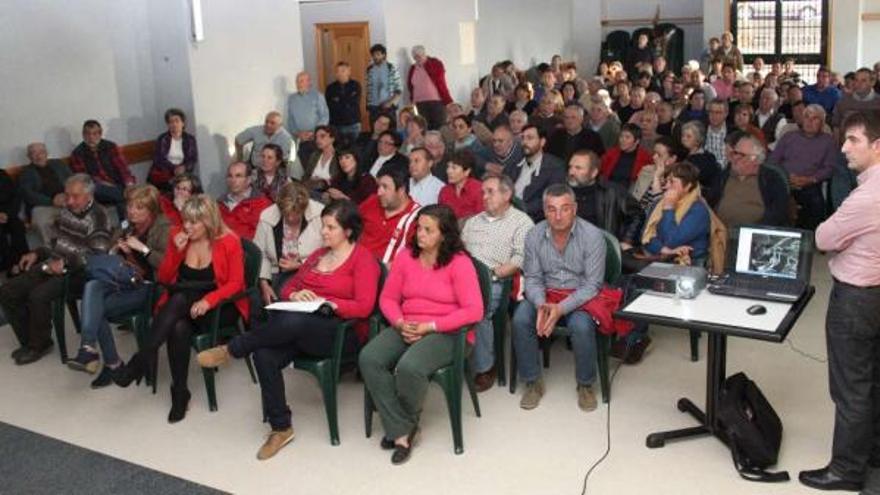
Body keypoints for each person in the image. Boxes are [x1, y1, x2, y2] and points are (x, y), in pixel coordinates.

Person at [197, 200, 379, 460]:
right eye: (323, 226)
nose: (324, 232)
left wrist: (328, 303)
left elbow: (364, 307)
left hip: (340, 334)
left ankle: (233, 348)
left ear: (348, 231)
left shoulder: (362, 260)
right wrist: (296, 295)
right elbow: (286, 287)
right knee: (264, 354)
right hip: (301, 327)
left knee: (292, 323)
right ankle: (281, 428)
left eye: (330, 227)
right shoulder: (318, 256)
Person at [359, 204, 483, 464]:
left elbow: (474, 311)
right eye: (419, 228)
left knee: (410, 367)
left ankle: (400, 430)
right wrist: (400, 322)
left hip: (448, 331)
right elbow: (389, 298)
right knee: (369, 358)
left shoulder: (460, 263)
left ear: (444, 235)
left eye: (428, 230)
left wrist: (431, 327)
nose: (420, 235)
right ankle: (402, 427)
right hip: (408, 323)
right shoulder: (405, 256)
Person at [799, 112, 880, 493]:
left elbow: (822, 237)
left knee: (851, 388)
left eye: (853, 140)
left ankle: (847, 470)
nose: (844, 147)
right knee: (872, 380)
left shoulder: (866, 197)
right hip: (875, 294)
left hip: (856, 301)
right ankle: (873, 451)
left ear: (877, 147)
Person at [114, 194, 247, 424]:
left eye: (194, 222)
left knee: (178, 301)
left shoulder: (228, 241)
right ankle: (180, 392)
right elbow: (165, 277)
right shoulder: (178, 236)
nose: (187, 226)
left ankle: (140, 361)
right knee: (178, 326)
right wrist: (176, 251)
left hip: (217, 306)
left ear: (209, 221)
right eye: (186, 220)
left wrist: (209, 300)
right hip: (182, 305)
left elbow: (236, 283)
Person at [0, 174, 112, 365]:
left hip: (81, 273)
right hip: (54, 264)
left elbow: (97, 255)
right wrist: (36, 253)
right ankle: (31, 341)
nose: (68, 200)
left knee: (38, 295)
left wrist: (66, 264)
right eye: (67, 195)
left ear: (89, 195)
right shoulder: (67, 211)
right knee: (8, 291)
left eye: (74, 196)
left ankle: (39, 344)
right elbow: (54, 243)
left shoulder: (98, 216)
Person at [513, 184, 606, 412]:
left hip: (579, 296)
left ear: (574, 209)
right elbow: (532, 278)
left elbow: (592, 285)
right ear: (544, 210)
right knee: (520, 319)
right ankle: (533, 382)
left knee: (581, 326)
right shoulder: (534, 234)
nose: (558, 216)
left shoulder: (593, 236)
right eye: (551, 209)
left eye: (564, 209)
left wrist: (561, 309)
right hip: (544, 294)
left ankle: (585, 385)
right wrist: (541, 304)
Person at [66, 185, 170, 387]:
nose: (131, 211)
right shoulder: (126, 226)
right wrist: (116, 249)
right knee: (93, 286)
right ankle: (89, 349)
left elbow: (167, 266)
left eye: (139, 207)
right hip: (122, 281)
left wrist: (143, 249)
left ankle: (111, 364)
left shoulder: (163, 227)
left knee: (95, 309)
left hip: (149, 287)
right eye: (130, 206)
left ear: (151, 209)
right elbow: (108, 258)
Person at [462, 174, 533, 390]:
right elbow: (460, 251)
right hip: (464, 278)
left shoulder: (521, 222)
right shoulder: (473, 222)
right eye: (483, 192)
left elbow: (520, 258)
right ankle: (444, 359)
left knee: (477, 310)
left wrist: (492, 275)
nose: (484, 197)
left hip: (496, 281)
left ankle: (485, 367)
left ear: (507, 194)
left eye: (490, 192)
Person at [253, 181, 324, 305]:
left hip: (310, 272)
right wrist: (264, 283)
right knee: (256, 299)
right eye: (286, 215)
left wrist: (300, 264)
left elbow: (328, 251)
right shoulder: (267, 217)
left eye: (296, 215)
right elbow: (260, 254)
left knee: (284, 297)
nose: (291, 219)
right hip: (274, 272)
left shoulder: (320, 214)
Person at [770, 104, 837, 230]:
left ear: (822, 123)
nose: (809, 122)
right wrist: (786, 177)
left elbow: (829, 168)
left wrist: (810, 179)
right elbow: (773, 161)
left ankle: (808, 240)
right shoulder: (789, 137)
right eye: (807, 117)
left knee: (814, 206)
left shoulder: (828, 141)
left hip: (811, 185)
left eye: (815, 118)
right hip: (783, 182)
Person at [716, 134, 789, 229]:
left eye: (740, 154)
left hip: (755, 236)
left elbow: (778, 213)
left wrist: (754, 232)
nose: (734, 158)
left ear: (754, 159)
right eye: (734, 153)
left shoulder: (771, 179)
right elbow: (709, 203)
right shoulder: (724, 175)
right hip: (719, 233)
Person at [69, 120, 136, 219]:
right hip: (96, 189)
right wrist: (103, 183)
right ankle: (127, 226)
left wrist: (129, 184)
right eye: (87, 134)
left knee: (121, 198)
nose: (91, 137)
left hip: (117, 186)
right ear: (83, 135)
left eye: (95, 133)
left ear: (100, 134)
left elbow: (123, 168)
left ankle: (125, 227)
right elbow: (84, 178)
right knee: (99, 188)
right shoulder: (77, 153)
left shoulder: (111, 147)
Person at [569, 150, 640, 242]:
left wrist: (627, 240)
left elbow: (637, 215)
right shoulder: (563, 190)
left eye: (578, 168)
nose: (571, 172)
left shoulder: (612, 191)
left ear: (594, 173)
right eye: (570, 167)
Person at [503, 125, 566, 222]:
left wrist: (519, 209)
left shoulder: (555, 167)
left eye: (530, 138)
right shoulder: (513, 164)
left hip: (533, 218)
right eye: (522, 138)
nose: (524, 142)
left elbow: (551, 198)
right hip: (506, 212)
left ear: (542, 142)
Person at [358, 167, 421, 262]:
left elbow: (414, 260)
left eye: (385, 187)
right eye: (378, 186)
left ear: (401, 190)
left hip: (387, 273)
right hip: (356, 265)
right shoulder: (373, 201)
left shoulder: (416, 217)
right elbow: (349, 223)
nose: (379, 192)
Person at [18, 142, 72, 245]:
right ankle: (53, 252)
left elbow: (73, 180)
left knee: (84, 212)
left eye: (41, 152)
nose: (38, 156)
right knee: (44, 222)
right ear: (29, 157)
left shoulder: (58, 164)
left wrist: (67, 195)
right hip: (42, 206)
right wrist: (52, 201)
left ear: (46, 153)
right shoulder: (26, 172)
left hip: (66, 199)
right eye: (34, 153)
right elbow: (28, 194)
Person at [217, 162, 273, 240]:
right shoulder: (219, 205)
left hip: (250, 249)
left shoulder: (263, 204)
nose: (233, 180)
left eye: (238, 176)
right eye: (230, 176)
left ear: (249, 179)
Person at [148, 108, 198, 193]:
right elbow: (159, 160)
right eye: (171, 122)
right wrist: (174, 169)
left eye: (177, 121)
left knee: (197, 186)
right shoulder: (162, 139)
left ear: (183, 123)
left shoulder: (190, 139)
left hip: (183, 174)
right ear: (168, 124)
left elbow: (192, 159)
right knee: (175, 187)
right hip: (165, 174)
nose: (174, 124)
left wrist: (184, 167)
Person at [287, 72, 329, 166]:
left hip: (318, 139)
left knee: (319, 166)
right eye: (297, 81)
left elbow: (325, 116)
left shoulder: (317, 96)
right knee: (307, 167)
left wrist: (314, 132)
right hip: (302, 140)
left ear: (309, 82)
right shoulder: (292, 99)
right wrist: (298, 133)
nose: (298, 84)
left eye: (301, 81)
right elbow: (290, 120)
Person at [407, 45, 453, 130]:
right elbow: (410, 86)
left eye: (420, 55)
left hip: (436, 102)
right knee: (424, 128)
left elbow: (441, 82)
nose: (418, 58)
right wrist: (412, 100)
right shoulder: (413, 68)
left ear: (425, 54)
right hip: (420, 103)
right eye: (416, 57)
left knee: (439, 127)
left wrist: (447, 100)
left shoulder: (434, 63)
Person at [679, 121, 723, 206]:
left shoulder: (703, 160)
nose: (684, 138)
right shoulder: (686, 155)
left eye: (688, 136)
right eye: (683, 135)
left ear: (698, 140)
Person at [599, 123, 653, 190]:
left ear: (637, 141)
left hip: (630, 193)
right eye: (621, 136)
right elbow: (599, 169)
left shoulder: (645, 158)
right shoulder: (611, 153)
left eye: (627, 137)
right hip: (607, 189)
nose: (622, 140)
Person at [438, 150, 483, 220]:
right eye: (448, 167)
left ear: (467, 171)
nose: (448, 171)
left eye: (454, 168)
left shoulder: (478, 189)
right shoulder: (444, 191)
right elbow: (441, 218)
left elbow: (481, 218)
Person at [326, 62, 363, 144]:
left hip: (353, 124)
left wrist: (338, 100)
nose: (340, 73)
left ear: (349, 72)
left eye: (343, 71)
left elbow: (354, 102)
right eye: (337, 71)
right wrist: (345, 101)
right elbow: (330, 106)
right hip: (336, 125)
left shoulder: (356, 85)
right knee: (338, 150)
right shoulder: (330, 88)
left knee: (355, 149)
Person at [366, 44, 403, 123]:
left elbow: (399, 88)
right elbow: (368, 89)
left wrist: (390, 102)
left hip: (388, 106)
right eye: (373, 55)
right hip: (373, 106)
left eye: (378, 54)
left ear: (384, 55)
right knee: (375, 131)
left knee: (390, 131)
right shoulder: (369, 70)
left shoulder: (391, 68)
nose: (375, 57)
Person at [0, 169, 27, 275]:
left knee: (18, 226)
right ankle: (10, 265)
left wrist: (8, 213)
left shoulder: (2, 174)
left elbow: (16, 196)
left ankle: (24, 261)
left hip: (7, 213)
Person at [302, 125, 339, 193]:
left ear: (332, 139)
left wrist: (321, 180)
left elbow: (337, 181)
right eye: (316, 137)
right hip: (309, 189)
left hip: (327, 192)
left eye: (322, 136)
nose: (318, 140)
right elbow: (305, 176)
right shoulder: (314, 155)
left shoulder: (338, 157)